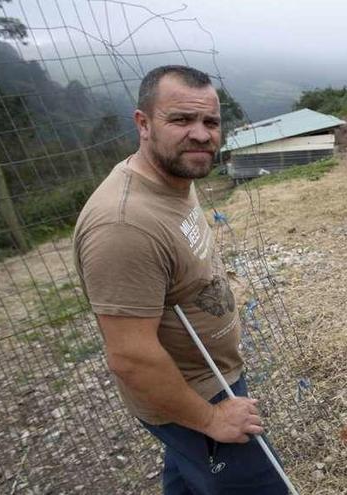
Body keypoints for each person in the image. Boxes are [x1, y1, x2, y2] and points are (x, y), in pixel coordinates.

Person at [73, 65, 287, 494]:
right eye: (181, 120)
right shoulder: (124, 226)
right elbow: (130, 358)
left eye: (210, 122)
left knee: (188, 481)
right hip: (195, 394)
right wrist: (211, 419)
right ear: (143, 124)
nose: (202, 134)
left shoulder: (174, 176)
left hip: (208, 377)